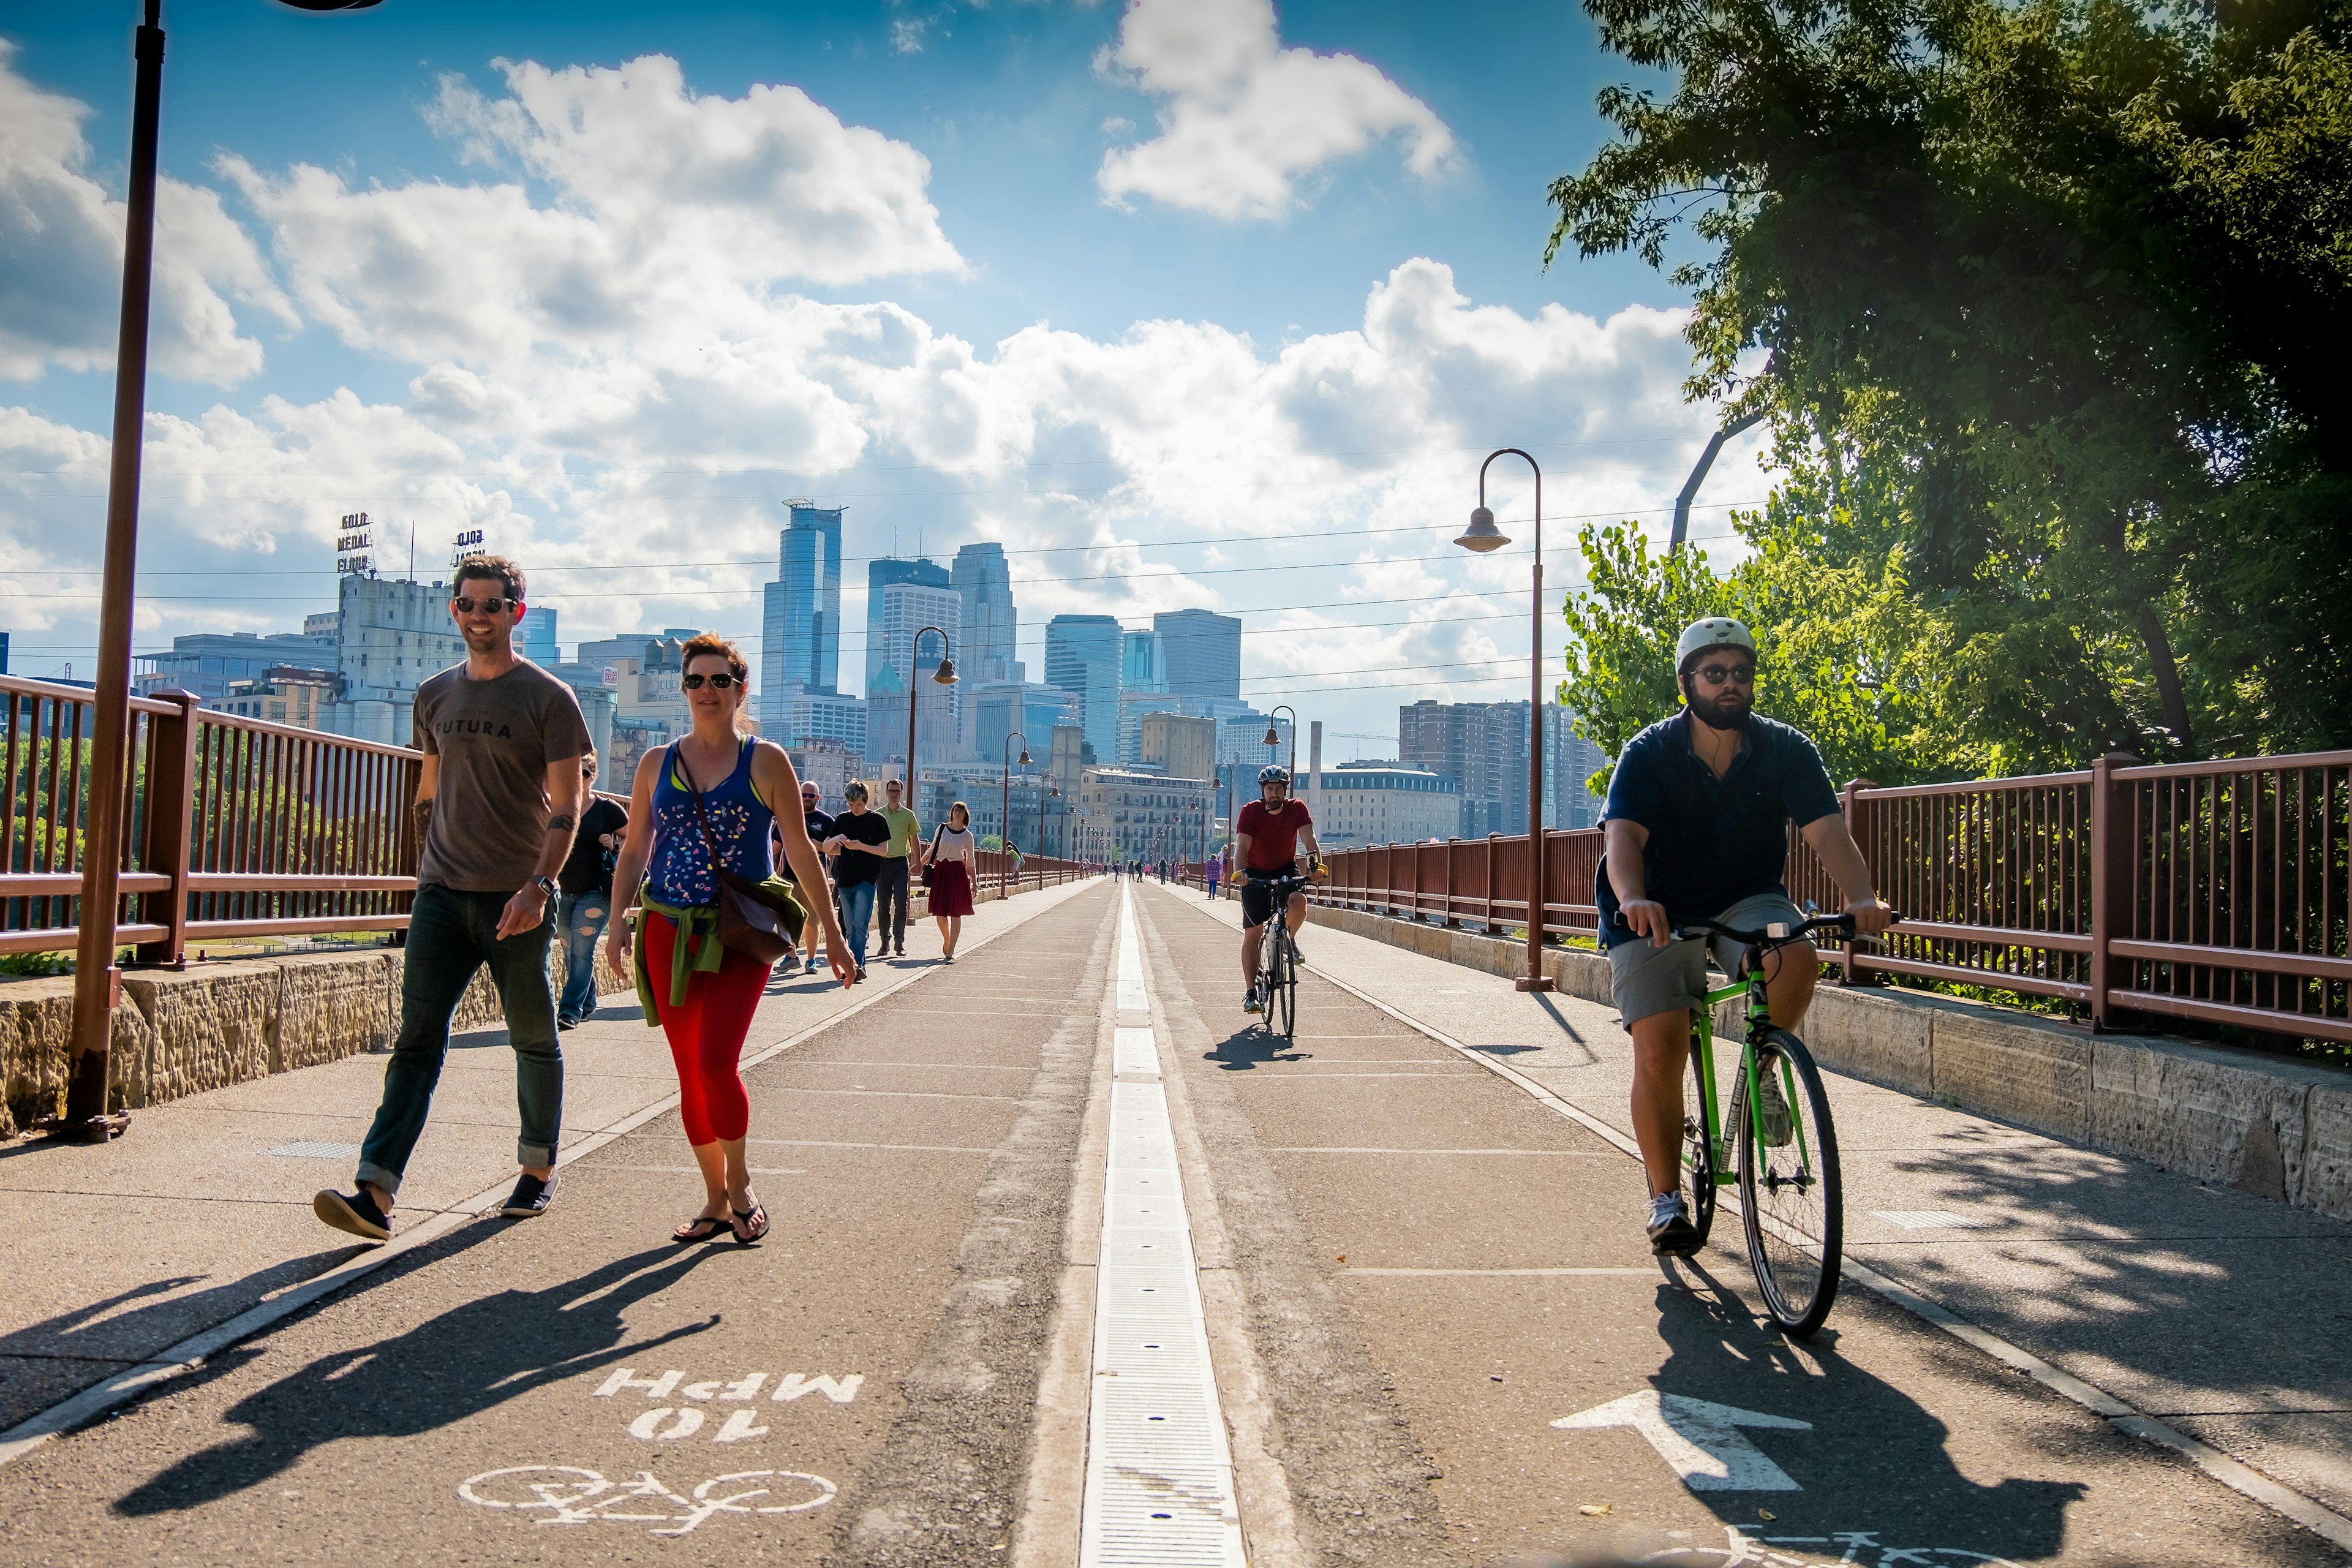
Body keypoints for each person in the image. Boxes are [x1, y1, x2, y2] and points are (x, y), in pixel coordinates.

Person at [314, 555, 592, 1242]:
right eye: (468, 604)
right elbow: (428, 792)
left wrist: (540, 884)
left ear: (515, 613)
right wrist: (422, 872)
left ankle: (537, 1168)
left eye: (492, 605)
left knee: (533, 1037)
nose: (478, 616)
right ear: (455, 610)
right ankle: (375, 1191)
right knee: (416, 1041)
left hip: (516, 895)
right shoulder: (435, 694)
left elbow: (570, 802)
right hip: (442, 893)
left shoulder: (548, 697)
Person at [1599, 616, 1894, 1257]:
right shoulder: (1649, 752)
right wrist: (1633, 898)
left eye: (1741, 673)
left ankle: (1762, 1065)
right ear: (1687, 683)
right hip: (1655, 901)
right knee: (1661, 1045)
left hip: (1745, 894)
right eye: (1715, 673)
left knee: (1795, 955)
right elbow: (1622, 838)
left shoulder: (1787, 749)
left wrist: (1861, 898)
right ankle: (1666, 1199)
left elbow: (1828, 832)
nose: (1730, 684)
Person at [603, 633, 851, 1246]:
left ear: (740, 690)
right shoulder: (655, 763)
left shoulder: (764, 760)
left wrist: (836, 936)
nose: (706, 691)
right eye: (695, 681)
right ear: (683, 689)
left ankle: (739, 1186)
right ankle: (714, 1201)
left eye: (719, 680)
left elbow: (799, 849)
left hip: (740, 933)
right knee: (689, 1073)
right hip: (666, 928)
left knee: (717, 1062)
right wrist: (616, 923)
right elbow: (636, 847)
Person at [1234, 764, 1324, 1014]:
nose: (1274, 794)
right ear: (1263, 791)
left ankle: (1289, 940)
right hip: (1253, 876)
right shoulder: (1250, 812)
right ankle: (1251, 992)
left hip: (1285, 870)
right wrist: (1240, 872)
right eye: (1270, 789)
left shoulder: (1297, 809)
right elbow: (1241, 846)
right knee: (1253, 933)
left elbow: (1309, 839)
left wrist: (1315, 866)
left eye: (1279, 790)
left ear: (1285, 791)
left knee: (1298, 902)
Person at [556, 755, 628, 1030]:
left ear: (593, 776)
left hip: (598, 891)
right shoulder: (559, 806)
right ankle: (587, 1003)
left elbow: (636, 842)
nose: (579, 778)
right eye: (573, 772)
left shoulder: (608, 809)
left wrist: (616, 843)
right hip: (565, 890)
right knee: (569, 950)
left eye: (584, 773)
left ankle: (570, 1010)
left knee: (581, 950)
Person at [825, 781, 892, 981]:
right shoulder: (842, 819)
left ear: (866, 801)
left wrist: (861, 846)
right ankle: (856, 966)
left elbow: (884, 850)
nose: (854, 809)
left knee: (860, 925)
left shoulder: (877, 820)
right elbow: (827, 847)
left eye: (859, 805)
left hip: (867, 879)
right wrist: (836, 840)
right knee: (850, 927)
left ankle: (855, 966)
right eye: (851, 805)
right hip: (844, 879)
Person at [781, 782, 834, 975]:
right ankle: (791, 957)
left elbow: (837, 850)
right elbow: (776, 847)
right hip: (789, 877)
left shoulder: (826, 821)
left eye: (811, 796)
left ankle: (811, 961)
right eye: (803, 795)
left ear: (817, 798)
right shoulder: (789, 817)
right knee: (788, 920)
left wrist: (819, 845)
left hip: (814, 879)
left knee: (812, 922)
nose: (806, 798)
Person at [924, 801, 978, 962]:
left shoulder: (968, 836)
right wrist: (919, 864)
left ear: (965, 815)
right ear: (952, 812)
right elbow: (932, 849)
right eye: (956, 809)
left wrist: (975, 882)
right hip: (941, 871)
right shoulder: (941, 829)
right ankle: (947, 939)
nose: (958, 812)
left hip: (957, 873)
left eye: (961, 810)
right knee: (940, 913)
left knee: (956, 913)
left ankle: (952, 948)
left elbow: (971, 860)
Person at [876, 778, 921, 960]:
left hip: (901, 863)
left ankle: (899, 942)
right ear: (886, 793)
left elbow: (914, 839)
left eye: (897, 791)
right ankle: (884, 941)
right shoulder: (878, 814)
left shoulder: (908, 815)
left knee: (902, 904)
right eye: (891, 791)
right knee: (883, 906)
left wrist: (919, 862)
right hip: (882, 864)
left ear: (901, 794)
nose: (894, 794)